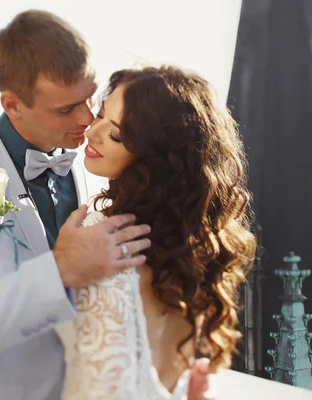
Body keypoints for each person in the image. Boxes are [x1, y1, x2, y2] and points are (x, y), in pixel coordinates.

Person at [0, 9, 212, 400]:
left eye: (90, 99)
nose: (88, 119)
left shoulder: (100, 166)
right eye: (65, 109)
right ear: (13, 104)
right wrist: (58, 271)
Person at [54, 66, 257, 399]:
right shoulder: (193, 254)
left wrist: (60, 264)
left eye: (117, 134)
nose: (93, 132)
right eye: (101, 115)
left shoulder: (102, 239)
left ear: (155, 157)